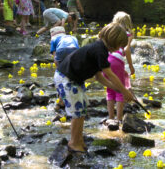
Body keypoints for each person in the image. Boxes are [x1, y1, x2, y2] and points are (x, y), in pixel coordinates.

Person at [54, 22, 134, 152]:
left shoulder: (99, 49)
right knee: (78, 111)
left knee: (82, 108)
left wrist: (118, 89)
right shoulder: (100, 50)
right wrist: (124, 91)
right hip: (66, 78)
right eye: (120, 45)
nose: (120, 48)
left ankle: (79, 139)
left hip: (73, 79)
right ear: (114, 41)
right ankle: (74, 142)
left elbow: (99, 77)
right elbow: (110, 74)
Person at [105, 12, 135, 123]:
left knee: (110, 90)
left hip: (107, 59)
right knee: (120, 90)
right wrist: (131, 66)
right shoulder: (128, 33)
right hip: (118, 61)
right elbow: (126, 50)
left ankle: (110, 118)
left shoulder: (111, 31)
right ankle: (118, 119)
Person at [50, 26, 79, 112]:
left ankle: (61, 101)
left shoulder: (54, 40)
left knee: (61, 76)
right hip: (74, 50)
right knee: (72, 74)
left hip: (62, 51)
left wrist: (58, 69)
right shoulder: (72, 37)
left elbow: (55, 58)